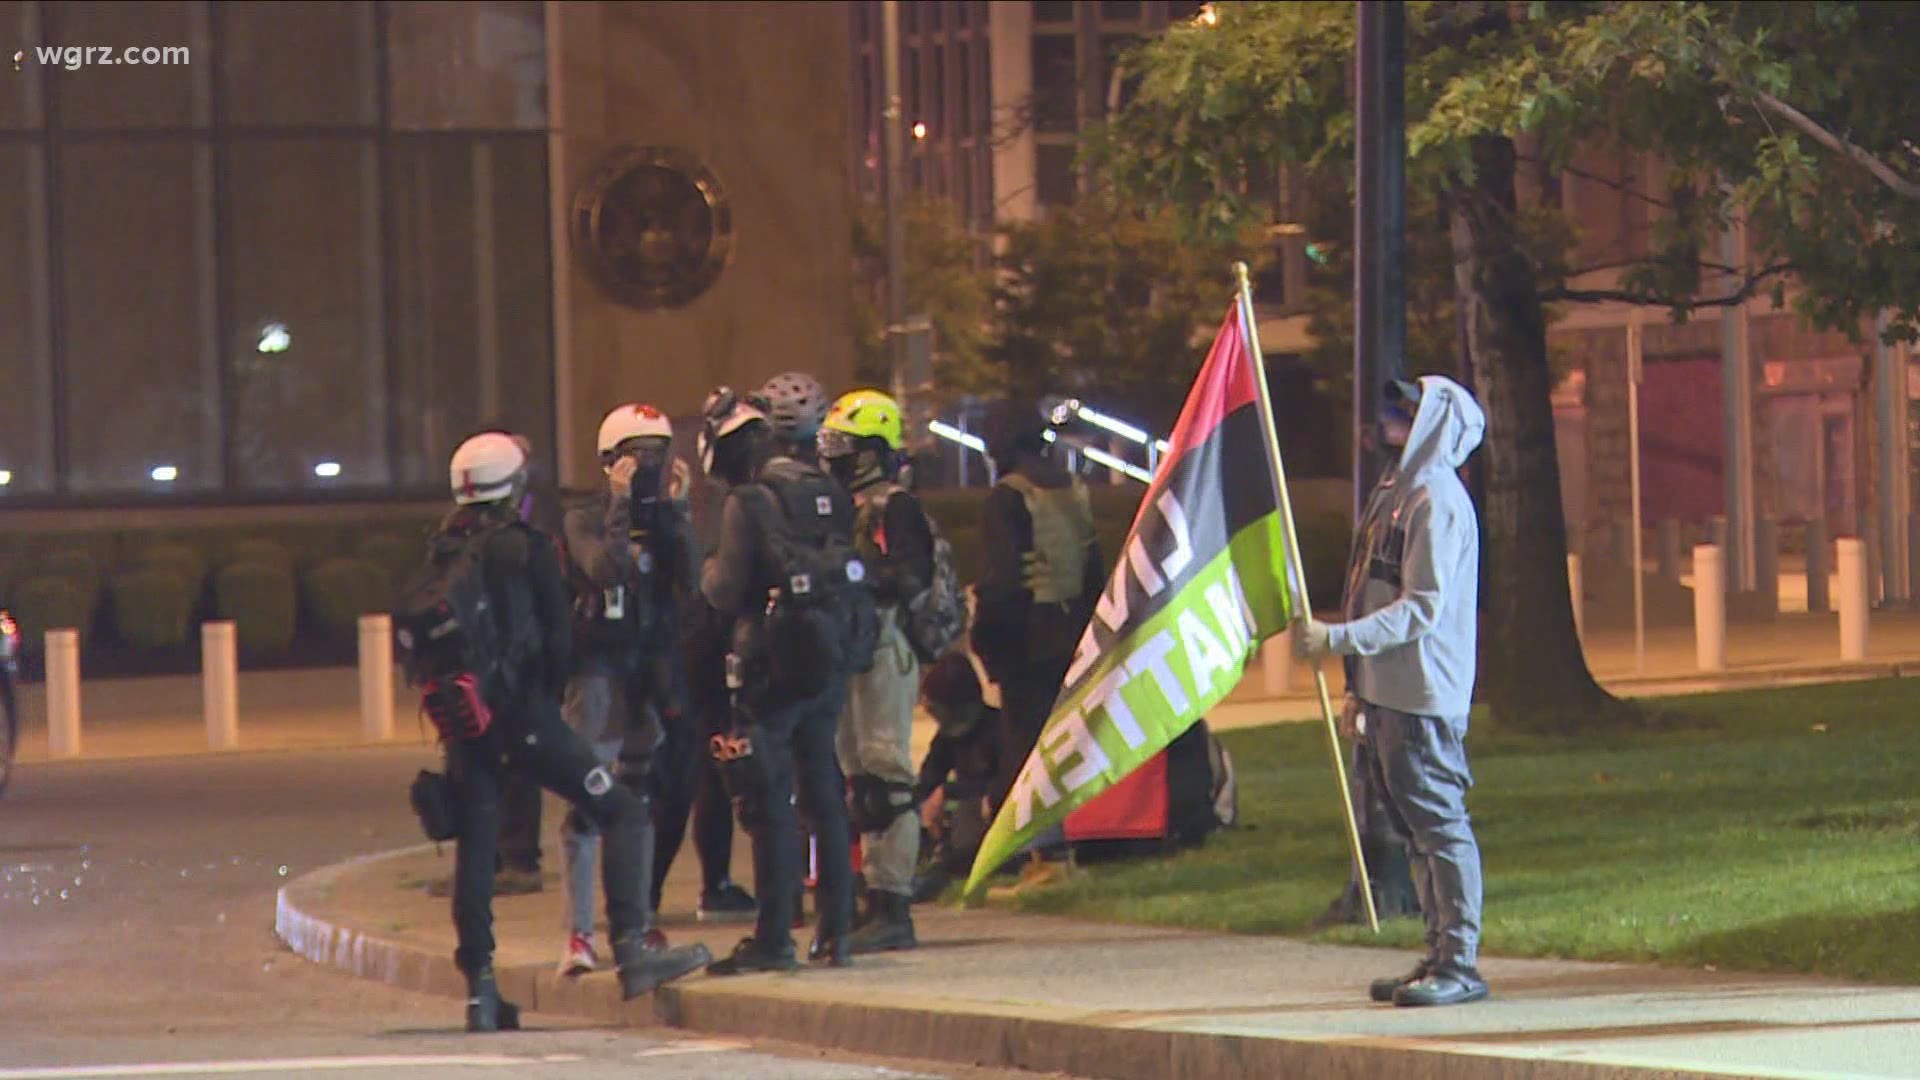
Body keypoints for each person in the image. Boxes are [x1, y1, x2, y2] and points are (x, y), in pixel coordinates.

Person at [428, 431, 709, 1032]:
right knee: (622, 809)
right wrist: (544, 701)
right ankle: (632, 951)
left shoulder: (443, 549)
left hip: (464, 720)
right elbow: (558, 640)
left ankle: (480, 987)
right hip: (524, 717)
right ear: (514, 489)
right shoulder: (525, 548)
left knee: (477, 849)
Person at [1294, 375, 1489, 1008]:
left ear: (1436, 422)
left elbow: (1421, 608)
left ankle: (1459, 963)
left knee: (1439, 828)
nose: (1388, 420)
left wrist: (1337, 640)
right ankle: (1438, 955)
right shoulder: (1396, 496)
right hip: (1389, 694)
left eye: (1406, 410)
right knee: (1416, 831)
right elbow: (1371, 587)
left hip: (1423, 695)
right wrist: (1360, 688)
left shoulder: (1436, 501)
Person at [697, 383, 865, 974]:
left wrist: (706, 569)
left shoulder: (750, 500)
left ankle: (774, 934)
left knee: (765, 797)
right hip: (825, 654)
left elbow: (727, 590)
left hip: (769, 664)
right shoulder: (826, 489)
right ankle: (836, 930)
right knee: (824, 791)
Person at [554, 403, 708, 976]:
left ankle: (637, 919)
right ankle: (579, 933)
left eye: (655, 454)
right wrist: (620, 504)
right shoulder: (585, 516)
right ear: (607, 461)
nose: (645, 466)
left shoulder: (663, 516)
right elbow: (607, 570)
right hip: (597, 670)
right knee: (588, 797)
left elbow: (690, 580)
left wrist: (679, 512)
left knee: (640, 798)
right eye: (634, 454)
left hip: (650, 666)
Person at [817, 389, 934, 953]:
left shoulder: (894, 506)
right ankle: (871, 894)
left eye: (848, 447)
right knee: (857, 773)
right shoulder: (838, 505)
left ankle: (893, 902)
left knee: (885, 772)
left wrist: (855, 571)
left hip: (885, 641)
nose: (837, 458)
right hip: (850, 641)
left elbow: (911, 573)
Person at [970, 403, 1102, 818]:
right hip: (1076, 634)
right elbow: (1094, 568)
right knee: (1066, 743)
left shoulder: (1009, 494)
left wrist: (987, 641)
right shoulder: (1074, 488)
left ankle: (1036, 851)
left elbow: (1005, 579)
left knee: (1024, 746)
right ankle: (1069, 837)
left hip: (1028, 639)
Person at [911, 651, 1005, 901]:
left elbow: (1004, 785)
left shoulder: (999, 728)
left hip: (990, 821)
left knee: (968, 811)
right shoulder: (946, 739)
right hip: (953, 824)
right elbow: (928, 780)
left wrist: (950, 793)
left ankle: (947, 868)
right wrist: (927, 804)